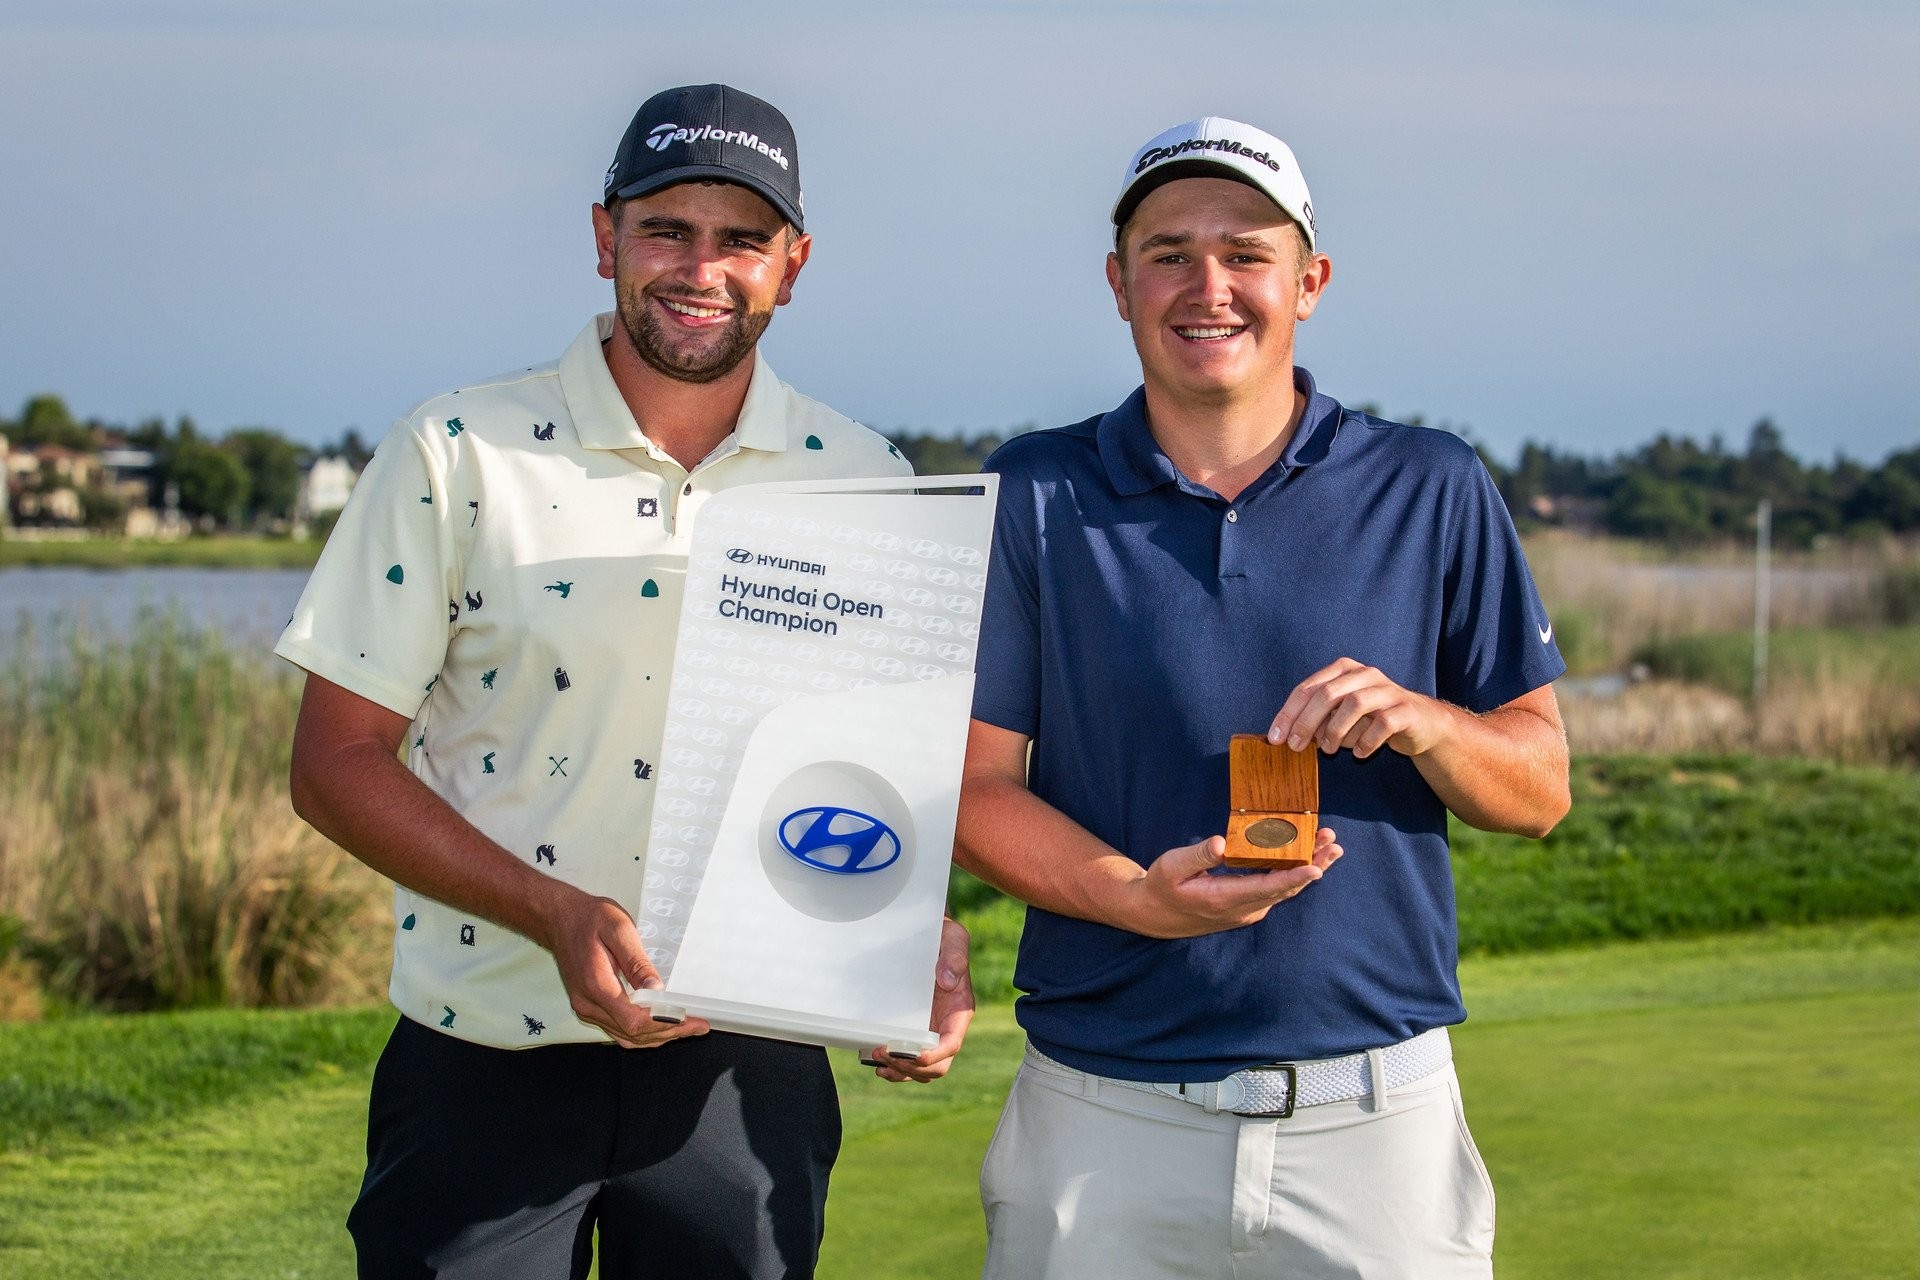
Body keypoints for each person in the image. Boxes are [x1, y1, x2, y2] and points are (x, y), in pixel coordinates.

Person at [278, 83, 973, 1280]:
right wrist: (550, 909)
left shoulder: (863, 476)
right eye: (667, 229)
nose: (701, 267)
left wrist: (909, 943)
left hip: (746, 1069)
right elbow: (333, 762)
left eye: (742, 238)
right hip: (483, 1046)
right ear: (605, 237)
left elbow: (876, 785)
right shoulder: (458, 450)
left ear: (792, 265)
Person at [956, 115, 1570, 1279]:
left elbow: (1540, 789)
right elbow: (975, 788)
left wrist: (1430, 722)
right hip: (1103, 1118)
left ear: (1310, 280)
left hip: (1375, 1123)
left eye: (1246, 252)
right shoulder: (1034, 488)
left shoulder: (1431, 484)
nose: (1209, 286)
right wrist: (1140, 899)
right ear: (1118, 283)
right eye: (1169, 252)